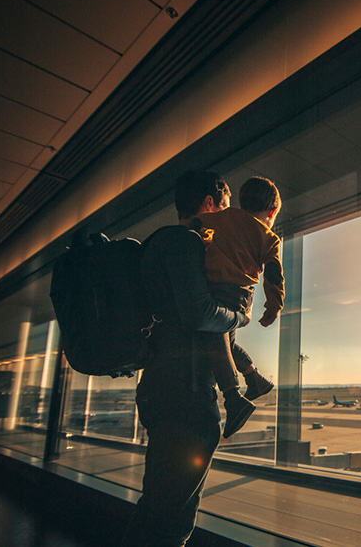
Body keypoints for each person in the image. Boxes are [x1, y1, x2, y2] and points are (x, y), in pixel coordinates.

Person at [121, 170, 254, 547]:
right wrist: (239, 316)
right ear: (210, 204)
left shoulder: (159, 245)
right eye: (225, 208)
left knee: (158, 506)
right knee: (172, 519)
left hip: (163, 387)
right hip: (185, 393)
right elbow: (200, 315)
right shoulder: (185, 243)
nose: (227, 217)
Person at [196, 176, 282, 429]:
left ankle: (235, 398)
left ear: (242, 202)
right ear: (273, 211)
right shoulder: (268, 236)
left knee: (216, 338)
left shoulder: (223, 218)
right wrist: (273, 307)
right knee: (225, 342)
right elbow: (274, 274)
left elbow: (194, 224)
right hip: (242, 295)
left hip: (220, 290)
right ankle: (254, 380)